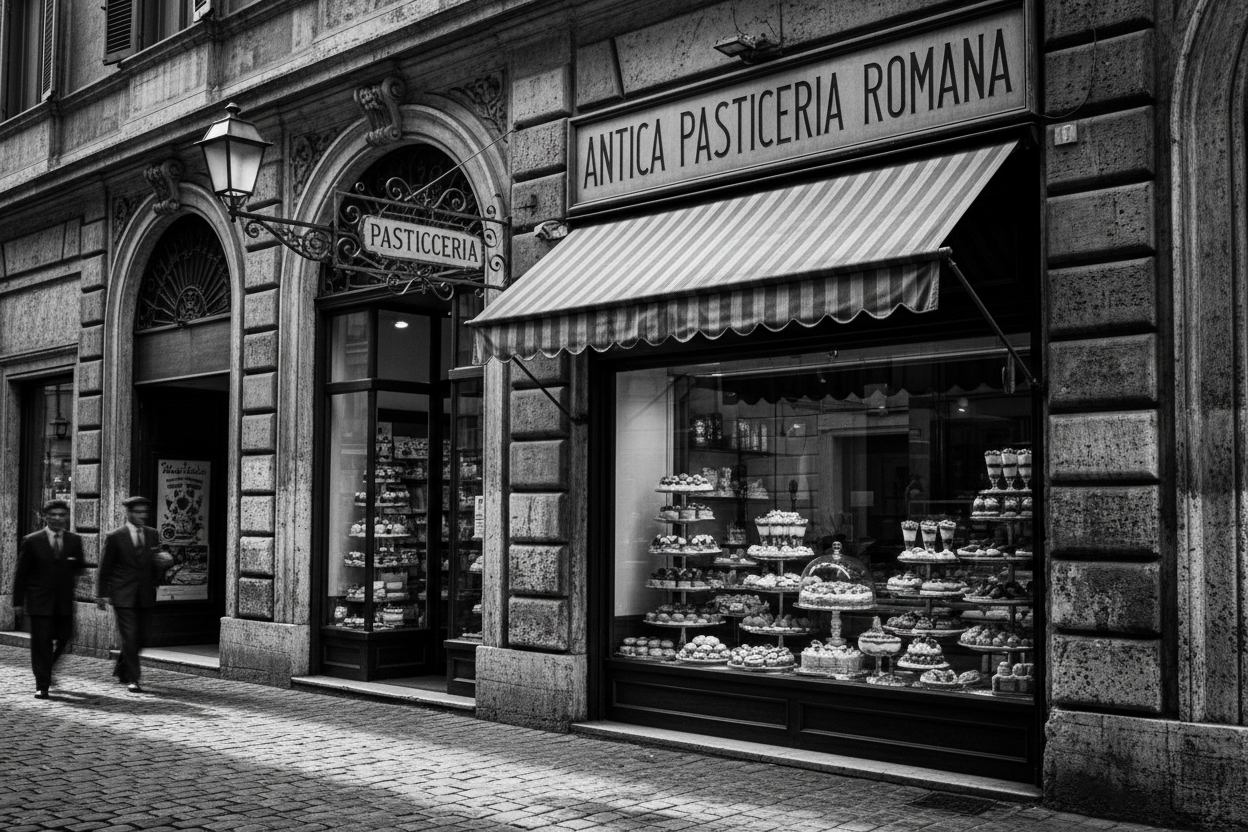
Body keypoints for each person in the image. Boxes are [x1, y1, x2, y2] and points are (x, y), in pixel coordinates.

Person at [96, 496, 172, 693]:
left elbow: (155, 564)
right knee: (129, 636)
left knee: (142, 637)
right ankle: (133, 678)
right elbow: (105, 568)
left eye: (144, 512)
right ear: (128, 513)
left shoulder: (153, 534)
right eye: (138, 512)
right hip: (123, 594)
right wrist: (101, 594)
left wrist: (163, 562)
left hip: (145, 593)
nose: (142, 516)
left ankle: (122, 668)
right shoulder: (115, 536)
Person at [13, 499, 85, 699]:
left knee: (65, 637)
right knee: (41, 643)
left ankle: (47, 668)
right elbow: (21, 574)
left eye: (61, 515)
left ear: (66, 517)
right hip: (39, 602)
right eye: (53, 515)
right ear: (45, 517)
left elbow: (79, 568)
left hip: (63, 602)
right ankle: (42, 684)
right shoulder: (32, 540)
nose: (57, 518)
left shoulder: (74, 540)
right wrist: (18, 602)